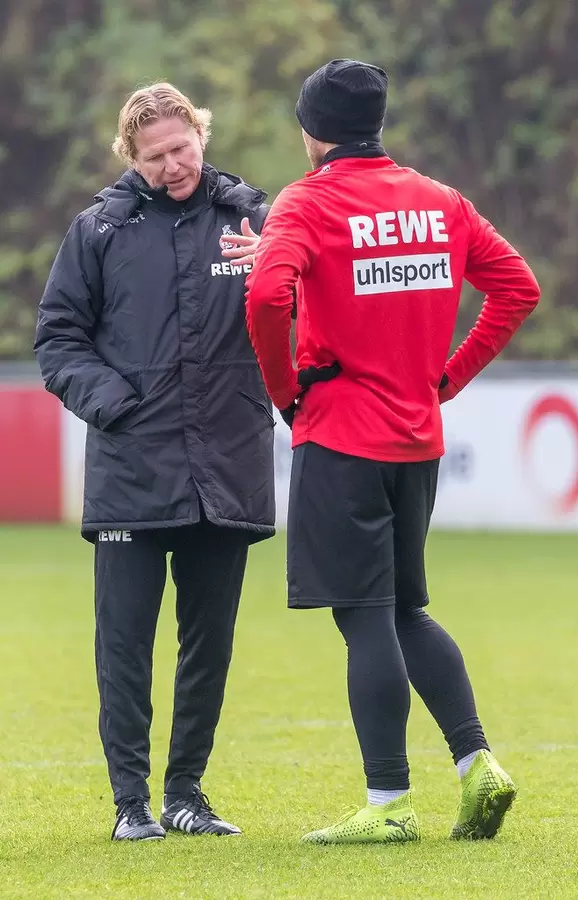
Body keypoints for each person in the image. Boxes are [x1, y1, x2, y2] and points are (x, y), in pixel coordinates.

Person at [243, 58, 540, 845]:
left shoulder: (307, 201)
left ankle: (388, 802)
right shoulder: (440, 201)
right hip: (416, 439)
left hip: (341, 435)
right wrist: (447, 378)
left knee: (364, 614)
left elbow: (268, 295)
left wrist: (285, 392)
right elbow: (518, 287)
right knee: (406, 609)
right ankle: (477, 763)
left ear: (311, 130)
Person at [34, 83, 274, 842]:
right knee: (124, 648)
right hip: (131, 468)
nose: (174, 164)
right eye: (154, 156)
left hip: (226, 467)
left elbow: (305, 309)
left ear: (201, 133)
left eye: (182, 146)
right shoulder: (99, 230)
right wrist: (116, 404)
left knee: (209, 646)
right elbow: (58, 338)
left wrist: (283, 275)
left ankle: (186, 795)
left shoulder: (254, 219)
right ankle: (130, 804)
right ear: (130, 157)